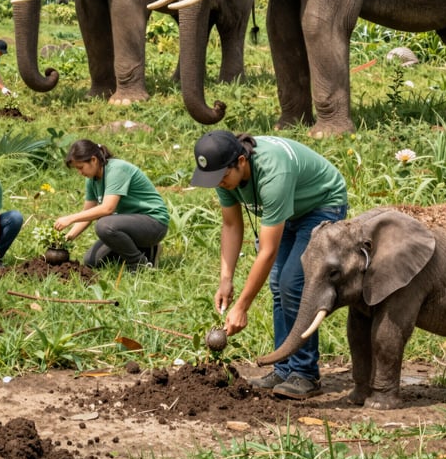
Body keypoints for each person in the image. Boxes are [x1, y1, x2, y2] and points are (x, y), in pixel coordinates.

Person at [191, 130, 348, 400]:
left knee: (292, 283)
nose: (220, 183)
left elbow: (267, 252)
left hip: (321, 205)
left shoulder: (274, 174)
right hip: (288, 210)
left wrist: (241, 307)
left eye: (222, 177)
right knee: (278, 283)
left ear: (241, 161)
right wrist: (226, 279)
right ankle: (284, 367)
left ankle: (305, 373)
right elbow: (230, 225)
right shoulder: (225, 174)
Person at [54, 139, 169, 271]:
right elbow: (86, 215)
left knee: (104, 225)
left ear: (93, 160)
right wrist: (65, 239)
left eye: (81, 167)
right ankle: (144, 250)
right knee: (91, 261)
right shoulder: (92, 180)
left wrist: (70, 218)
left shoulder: (116, 170)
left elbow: (108, 208)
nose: (80, 173)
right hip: (129, 225)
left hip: (153, 223)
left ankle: (139, 264)